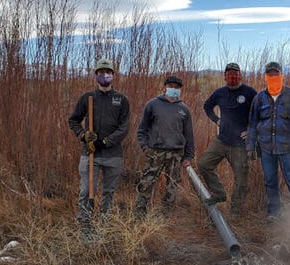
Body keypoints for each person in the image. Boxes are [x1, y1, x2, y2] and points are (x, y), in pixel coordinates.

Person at [67, 58, 130, 235]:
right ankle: (85, 223)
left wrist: (104, 142)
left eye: (108, 72)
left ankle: (104, 223)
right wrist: (83, 135)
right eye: (101, 72)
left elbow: (124, 128)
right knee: (87, 190)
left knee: (108, 192)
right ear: (96, 75)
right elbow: (73, 121)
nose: (105, 75)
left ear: (113, 76)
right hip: (90, 154)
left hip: (113, 155)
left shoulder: (121, 100)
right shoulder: (88, 98)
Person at [246, 61, 290, 222]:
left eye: (276, 74)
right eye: (270, 74)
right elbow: (252, 124)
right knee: (270, 181)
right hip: (266, 148)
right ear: (266, 77)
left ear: (281, 76)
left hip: (287, 147)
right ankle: (274, 212)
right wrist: (250, 146)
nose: (273, 77)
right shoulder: (259, 98)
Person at [197, 62, 257, 217]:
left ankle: (235, 210)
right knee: (204, 164)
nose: (232, 76)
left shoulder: (250, 92)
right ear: (224, 76)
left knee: (241, 178)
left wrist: (251, 130)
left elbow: (259, 114)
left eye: (235, 73)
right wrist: (216, 120)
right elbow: (207, 107)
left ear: (240, 75)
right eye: (229, 73)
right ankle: (219, 193)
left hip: (240, 145)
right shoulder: (220, 93)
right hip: (222, 140)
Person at [135, 76, 195, 218]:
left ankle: (166, 214)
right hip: (156, 152)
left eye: (176, 87)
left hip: (176, 153)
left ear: (180, 90)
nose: (173, 89)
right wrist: (145, 147)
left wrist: (189, 156)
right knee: (147, 182)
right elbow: (142, 129)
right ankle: (139, 213)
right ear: (164, 87)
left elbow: (189, 135)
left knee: (172, 185)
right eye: (171, 86)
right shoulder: (152, 104)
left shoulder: (184, 109)